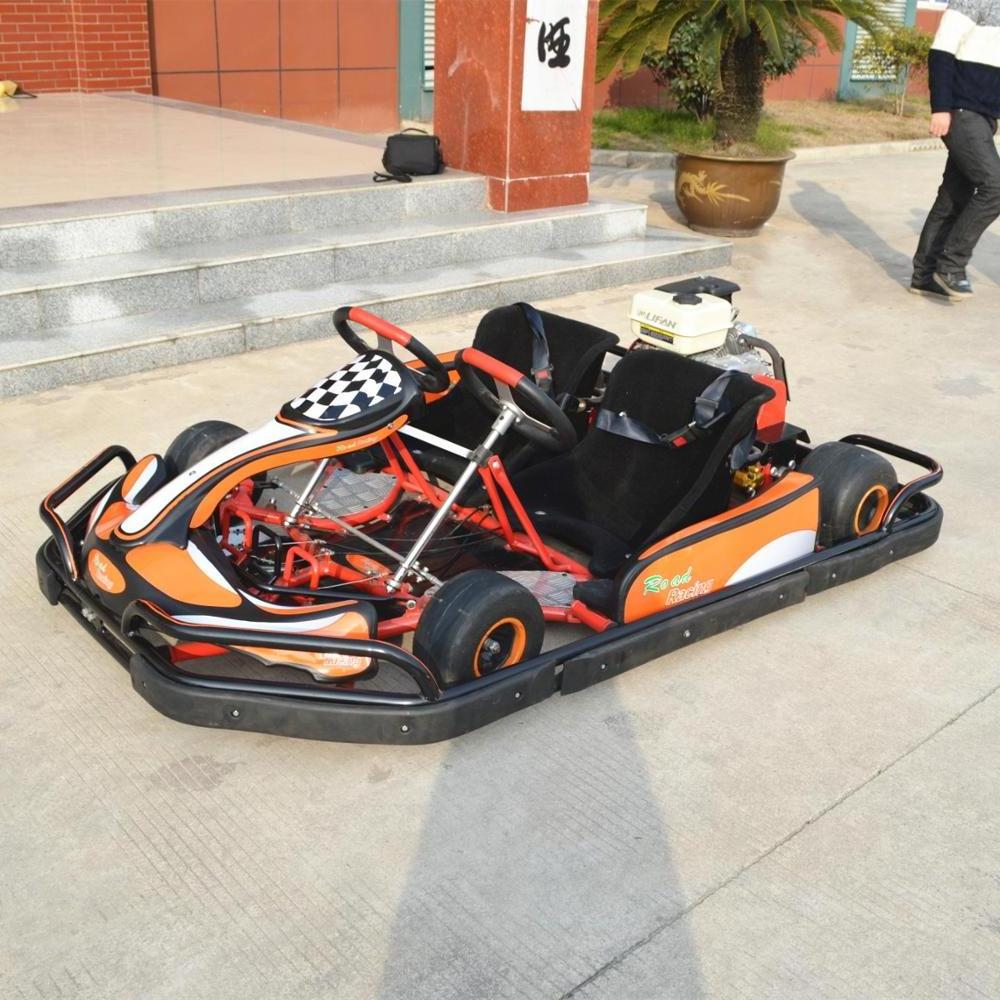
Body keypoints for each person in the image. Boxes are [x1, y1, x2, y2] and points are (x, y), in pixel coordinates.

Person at [911, 0, 1000, 301]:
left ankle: (923, 277)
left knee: (953, 197)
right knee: (995, 186)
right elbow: (941, 50)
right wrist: (940, 108)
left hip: (983, 115)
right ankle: (951, 266)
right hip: (962, 112)